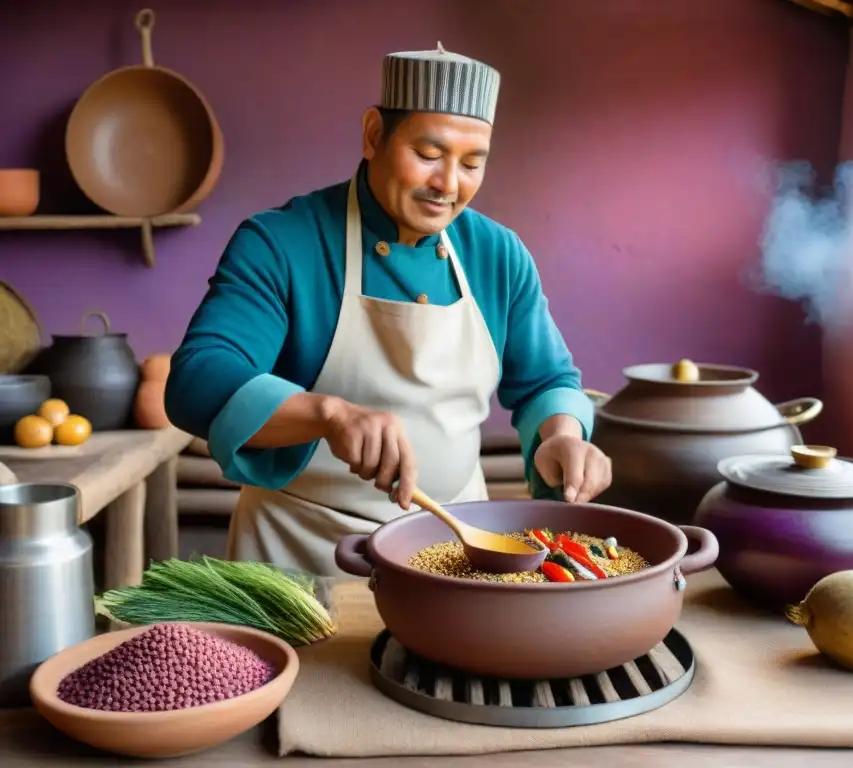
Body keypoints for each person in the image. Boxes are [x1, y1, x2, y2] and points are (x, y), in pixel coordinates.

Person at [164, 44, 611, 575]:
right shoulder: (283, 242)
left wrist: (561, 435)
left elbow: (546, 380)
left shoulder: (498, 254)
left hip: (453, 549)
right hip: (300, 554)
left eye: (472, 164)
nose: (448, 185)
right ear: (374, 134)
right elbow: (197, 379)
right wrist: (328, 414)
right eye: (428, 155)